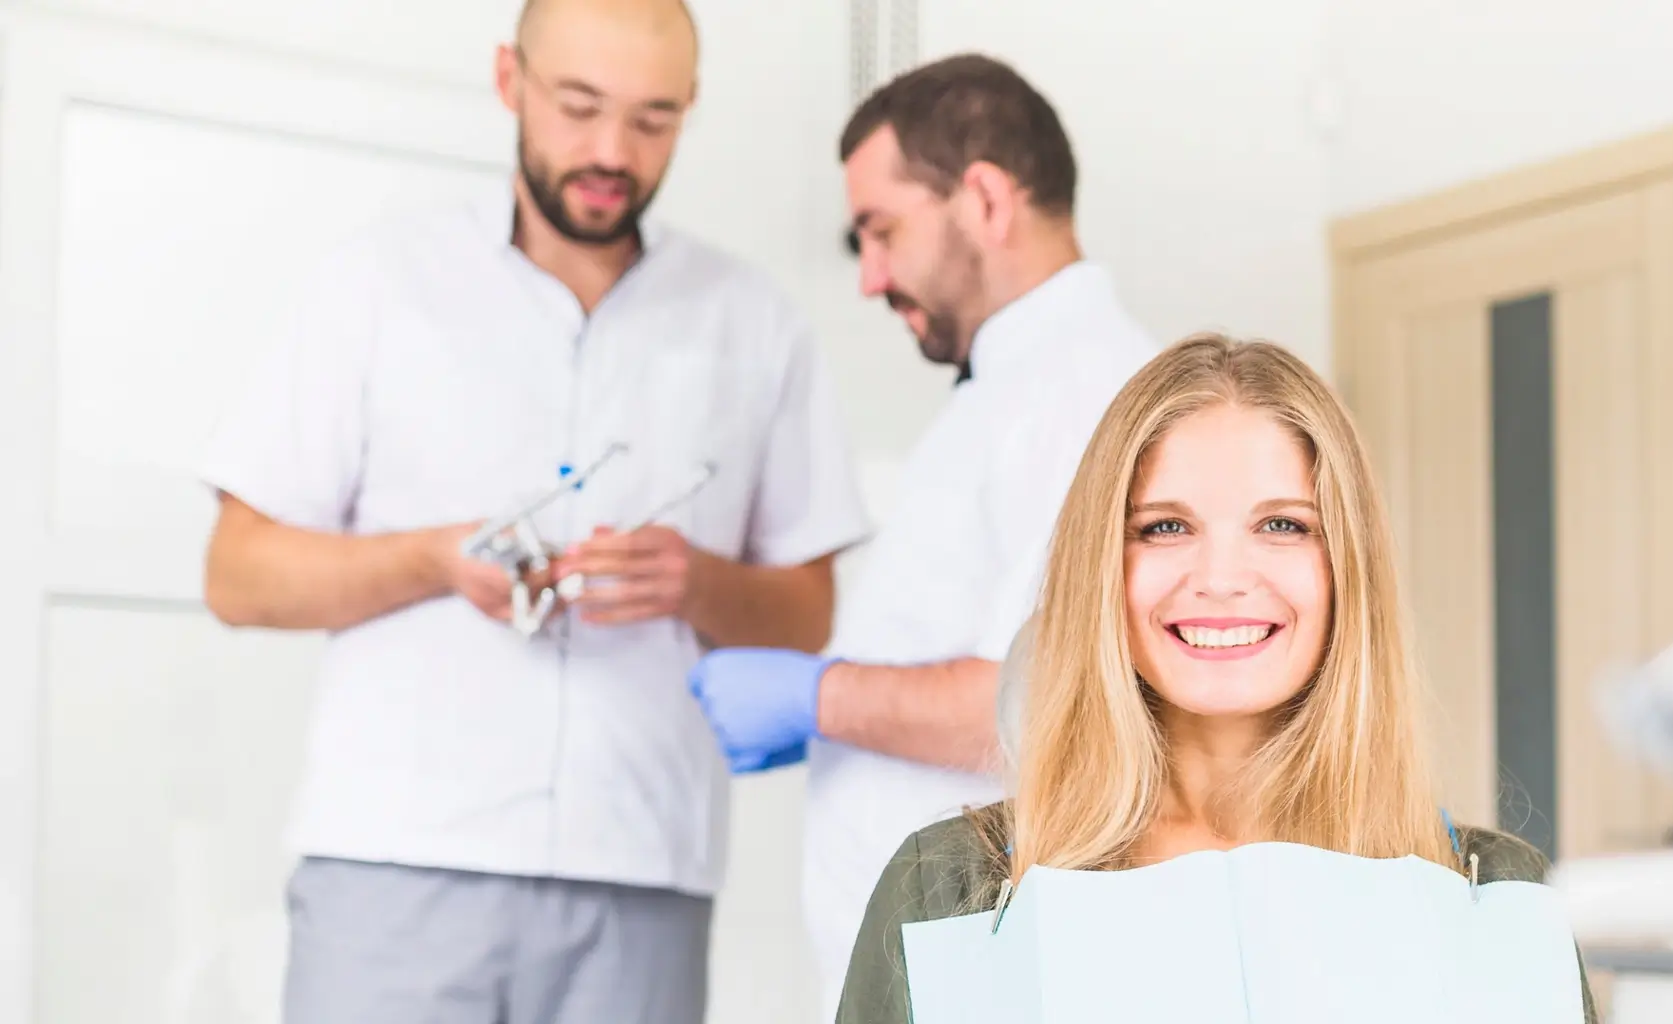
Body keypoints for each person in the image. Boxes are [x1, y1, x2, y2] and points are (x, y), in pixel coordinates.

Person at [197, 1, 870, 1021]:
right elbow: (236, 574)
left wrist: (695, 581)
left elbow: (808, 615)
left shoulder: (755, 322)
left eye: (651, 120)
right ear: (511, 80)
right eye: (580, 105)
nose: (610, 151)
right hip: (396, 861)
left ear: (690, 109)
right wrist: (430, 559)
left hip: (642, 871)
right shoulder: (379, 284)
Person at [832, 334, 1600, 1024]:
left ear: (1346, 572)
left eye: (1284, 525)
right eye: (1165, 527)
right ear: (1102, 568)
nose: (1222, 578)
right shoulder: (944, 891)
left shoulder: (1493, 891)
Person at [684, 54, 1161, 1018]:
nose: (868, 277)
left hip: (979, 969)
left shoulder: (1084, 397)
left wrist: (819, 695)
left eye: (881, 230)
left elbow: (1049, 709)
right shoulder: (1005, 389)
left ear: (984, 199)